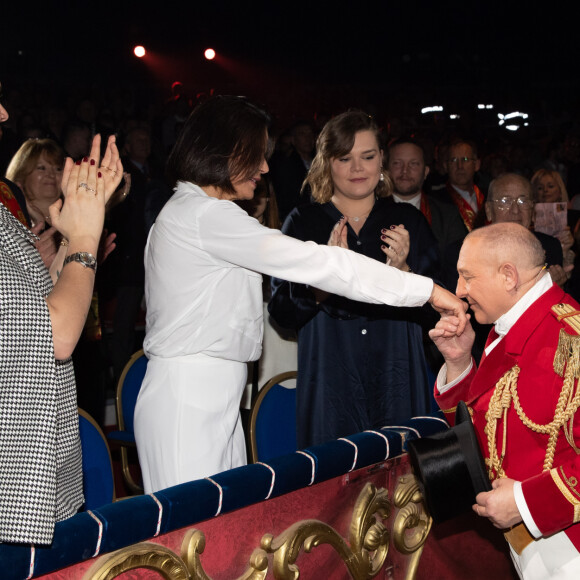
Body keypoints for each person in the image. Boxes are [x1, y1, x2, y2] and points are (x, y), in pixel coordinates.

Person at [133, 96, 467, 494]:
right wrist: (427, 290)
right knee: (187, 537)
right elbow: (319, 265)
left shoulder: (195, 211)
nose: (264, 168)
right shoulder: (207, 215)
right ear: (226, 150)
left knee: (217, 533)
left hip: (209, 393)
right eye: (257, 155)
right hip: (189, 396)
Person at [268, 111, 440, 448]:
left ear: (381, 163)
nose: (357, 168)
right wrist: (325, 281)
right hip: (331, 378)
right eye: (344, 158)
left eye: (368, 156)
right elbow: (281, 313)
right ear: (326, 164)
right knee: (334, 484)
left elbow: (439, 313)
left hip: (398, 375)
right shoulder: (304, 223)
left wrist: (403, 274)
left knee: (403, 482)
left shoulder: (407, 221)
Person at [1, 85, 123, 544]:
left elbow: (33, 305)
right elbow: (52, 335)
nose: (4, 111)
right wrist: (86, 240)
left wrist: (72, 243)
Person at [430, 222, 580, 579]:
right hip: (528, 543)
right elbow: (487, 431)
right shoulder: (508, 328)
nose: (459, 290)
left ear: (508, 276)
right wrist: (459, 363)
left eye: (467, 276)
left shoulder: (571, 338)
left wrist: (526, 503)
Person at [387, 138, 466, 255]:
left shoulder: (447, 216)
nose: (405, 171)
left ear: (425, 172)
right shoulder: (371, 211)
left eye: (413, 164)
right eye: (397, 163)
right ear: (387, 170)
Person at [5, 138, 64, 229]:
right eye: (42, 168)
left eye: (58, 169)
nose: (51, 175)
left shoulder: (76, 216)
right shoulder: (9, 222)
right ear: (22, 174)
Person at [433, 139, 484, 233]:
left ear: (476, 165)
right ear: (445, 166)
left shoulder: (488, 196)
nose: (460, 166)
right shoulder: (435, 202)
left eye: (465, 159)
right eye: (453, 160)